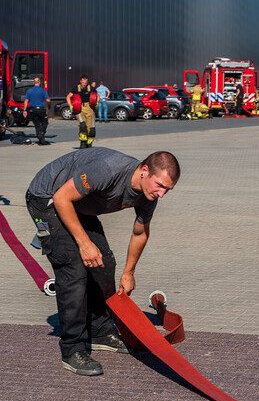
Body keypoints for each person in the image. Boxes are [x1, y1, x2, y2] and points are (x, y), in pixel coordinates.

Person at [25, 148, 180, 376]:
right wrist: (84, 243)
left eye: (168, 189)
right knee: (73, 269)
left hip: (78, 205)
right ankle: (72, 349)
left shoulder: (149, 194)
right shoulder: (108, 170)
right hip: (48, 198)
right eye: (160, 185)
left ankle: (100, 331)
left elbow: (140, 233)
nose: (162, 194)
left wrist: (129, 272)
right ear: (144, 171)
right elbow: (61, 198)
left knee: (104, 264)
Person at [66, 75, 96, 149]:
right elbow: (68, 97)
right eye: (83, 82)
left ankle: (89, 143)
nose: (84, 84)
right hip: (79, 108)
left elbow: (96, 95)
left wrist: (97, 102)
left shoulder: (91, 88)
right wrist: (70, 105)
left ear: (87, 82)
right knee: (83, 126)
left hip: (89, 108)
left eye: (85, 82)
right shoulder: (76, 88)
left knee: (91, 129)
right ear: (80, 81)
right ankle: (83, 142)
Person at [23, 77, 51, 145]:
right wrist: (49, 106)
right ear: (39, 82)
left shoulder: (29, 91)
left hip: (32, 109)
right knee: (45, 122)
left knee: (37, 124)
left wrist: (25, 110)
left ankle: (41, 139)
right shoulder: (43, 90)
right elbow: (48, 100)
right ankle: (41, 133)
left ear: (33, 82)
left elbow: (26, 101)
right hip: (41, 109)